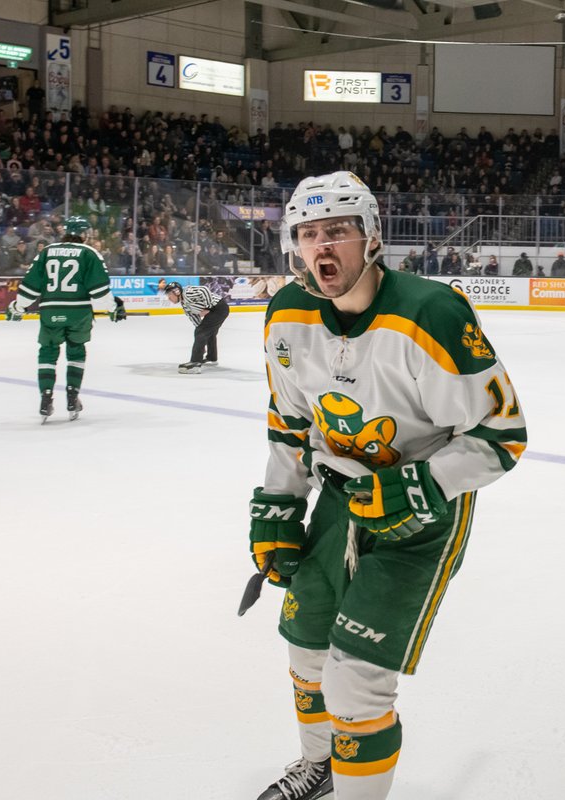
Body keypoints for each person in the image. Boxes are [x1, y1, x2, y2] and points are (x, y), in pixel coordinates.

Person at [251, 171, 526, 799]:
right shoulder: (287, 314)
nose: (322, 247)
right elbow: (290, 422)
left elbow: (503, 434)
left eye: (338, 231)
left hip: (421, 521)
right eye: (308, 233)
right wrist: (278, 505)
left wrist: (423, 484)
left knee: (354, 682)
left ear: (372, 236)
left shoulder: (430, 312)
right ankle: (321, 765)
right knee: (307, 651)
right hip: (337, 501)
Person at [5, 216, 125, 420]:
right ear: (84, 234)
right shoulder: (89, 253)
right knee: (76, 352)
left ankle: (46, 397)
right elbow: (99, 290)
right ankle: (72, 397)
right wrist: (113, 308)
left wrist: (18, 306)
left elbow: (31, 284)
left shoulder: (47, 252)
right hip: (78, 313)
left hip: (50, 311)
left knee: (48, 352)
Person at [163, 280, 229, 373]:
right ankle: (211, 358)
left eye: (169, 295)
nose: (169, 298)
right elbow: (195, 319)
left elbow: (204, 289)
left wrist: (208, 306)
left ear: (177, 292)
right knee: (206, 333)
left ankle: (195, 363)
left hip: (219, 308)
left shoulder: (188, 293)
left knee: (201, 332)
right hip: (218, 309)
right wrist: (201, 343)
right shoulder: (185, 305)